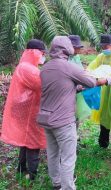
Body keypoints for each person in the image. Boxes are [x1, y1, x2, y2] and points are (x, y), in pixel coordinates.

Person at [37, 36, 97, 190]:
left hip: (46, 118)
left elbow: (58, 87)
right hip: (63, 121)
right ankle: (68, 187)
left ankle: (56, 183)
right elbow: (91, 82)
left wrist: (74, 87)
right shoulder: (68, 67)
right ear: (66, 49)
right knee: (69, 157)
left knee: (53, 153)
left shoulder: (45, 68)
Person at [0, 39, 47, 180]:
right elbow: (43, 86)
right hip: (29, 112)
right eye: (42, 53)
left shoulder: (25, 66)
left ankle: (21, 169)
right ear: (34, 52)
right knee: (32, 142)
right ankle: (32, 175)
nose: (43, 56)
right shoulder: (29, 69)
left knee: (25, 142)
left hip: (25, 110)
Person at [68, 35, 91, 131]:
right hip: (69, 90)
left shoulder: (76, 57)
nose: (78, 50)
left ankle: (75, 133)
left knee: (76, 113)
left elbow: (80, 70)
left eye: (79, 47)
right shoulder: (65, 59)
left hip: (78, 89)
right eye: (76, 48)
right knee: (69, 114)